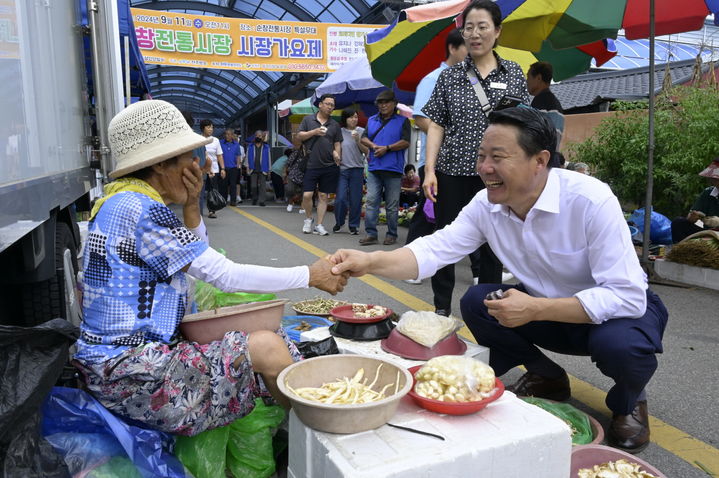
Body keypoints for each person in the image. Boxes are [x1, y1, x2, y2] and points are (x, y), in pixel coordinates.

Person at [330, 106, 668, 454]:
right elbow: (434, 250)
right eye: (481, 156)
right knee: (478, 302)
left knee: (623, 347)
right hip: (546, 309)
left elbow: (626, 297)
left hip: (615, 316)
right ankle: (547, 375)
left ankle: (629, 402)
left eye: (497, 157)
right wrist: (370, 261)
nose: (484, 168)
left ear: (540, 160)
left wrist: (536, 308)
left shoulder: (589, 200)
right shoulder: (486, 205)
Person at [73, 100, 348, 437]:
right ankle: (315, 439)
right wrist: (311, 275)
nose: (199, 166)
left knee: (267, 331)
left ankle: (297, 426)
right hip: (128, 375)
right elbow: (225, 275)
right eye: (190, 157)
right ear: (161, 164)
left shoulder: (121, 200)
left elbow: (196, 255)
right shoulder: (139, 209)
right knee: (266, 348)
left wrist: (191, 205)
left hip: (120, 364)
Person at [421, 0, 529, 315]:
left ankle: (488, 309)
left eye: (482, 26)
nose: (475, 33)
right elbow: (436, 124)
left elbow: (522, 125)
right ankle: (441, 308)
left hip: (496, 175)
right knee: (445, 242)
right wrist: (430, 171)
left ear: (497, 31)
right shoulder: (449, 76)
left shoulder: (513, 75)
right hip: (452, 171)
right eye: (469, 27)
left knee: (494, 244)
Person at [405, 29, 467, 261]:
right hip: (436, 162)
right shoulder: (433, 79)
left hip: (464, 163)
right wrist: (451, 135)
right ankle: (411, 259)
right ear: (453, 48)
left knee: (471, 213)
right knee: (429, 213)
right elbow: (420, 117)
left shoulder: (470, 81)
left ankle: (480, 271)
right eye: (467, 48)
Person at [359, 90, 411, 246]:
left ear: (394, 104)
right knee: (371, 201)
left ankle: (392, 234)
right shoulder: (372, 120)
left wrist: (387, 148)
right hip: (375, 167)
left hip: (393, 169)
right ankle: (371, 234)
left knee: (392, 204)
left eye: (386, 102)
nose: (383, 105)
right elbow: (363, 138)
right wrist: (374, 145)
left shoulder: (403, 121)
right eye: (380, 103)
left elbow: (406, 142)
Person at [296, 94, 342, 236]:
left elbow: (337, 143)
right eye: (327, 104)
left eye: (332, 105)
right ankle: (308, 219)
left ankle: (319, 225)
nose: (330, 107)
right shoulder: (308, 120)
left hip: (329, 165)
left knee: (323, 196)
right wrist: (315, 131)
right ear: (320, 104)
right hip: (311, 164)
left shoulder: (334, 125)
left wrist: (337, 154)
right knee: (307, 195)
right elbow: (299, 136)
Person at [334, 108, 369, 235]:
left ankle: (353, 225)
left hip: (357, 170)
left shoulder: (361, 131)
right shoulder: (340, 132)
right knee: (340, 199)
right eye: (351, 117)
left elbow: (366, 151)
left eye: (355, 117)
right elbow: (335, 147)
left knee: (356, 199)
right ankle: (339, 222)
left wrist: (358, 140)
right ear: (345, 119)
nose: (354, 119)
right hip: (342, 169)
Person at [671, 157, 719, 243]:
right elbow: (691, 216)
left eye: (716, 178)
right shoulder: (708, 192)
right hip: (708, 234)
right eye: (713, 178)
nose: (713, 180)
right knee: (678, 223)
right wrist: (692, 217)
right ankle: (681, 252)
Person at [200, 119, 224, 218]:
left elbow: (219, 156)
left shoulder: (216, 140)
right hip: (201, 170)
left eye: (212, 127)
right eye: (208, 127)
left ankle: (212, 211)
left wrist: (222, 168)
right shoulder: (198, 139)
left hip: (214, 170)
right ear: (203, 128)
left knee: (212, 191)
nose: (211, 129)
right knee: (200, 191)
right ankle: (199, 212)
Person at [219, 127, 244, 206]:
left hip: (233, 168)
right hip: (223, 167)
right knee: (223, 185)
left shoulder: (236, 144)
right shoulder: (220, 143)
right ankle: (223, 201)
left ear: (232, 135)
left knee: (233, 185)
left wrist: (238, 165)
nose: (227, 136)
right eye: (226, 134)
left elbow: (238, 155)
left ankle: (233, 201)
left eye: (229, 134)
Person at [247, 130, 270, 206]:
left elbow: (269, 158)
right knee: (253, 186)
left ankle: (262, 201)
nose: (258, 137)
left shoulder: (266, 147)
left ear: (262, 137)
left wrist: (269, 169)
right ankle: (254, 198)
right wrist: (247, 167)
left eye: (260, 136)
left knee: (262, 186)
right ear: (255, 136)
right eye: (257, 135)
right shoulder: (250, 146)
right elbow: (247, 157)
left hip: (263, 168)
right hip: (252, 168)